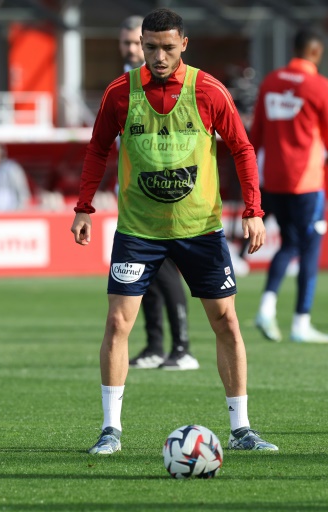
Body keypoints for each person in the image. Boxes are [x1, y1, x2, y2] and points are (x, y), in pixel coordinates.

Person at [71, 7, 278, 455]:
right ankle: (111, 430)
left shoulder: (207, 90)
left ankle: (241, 429)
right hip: (139, 229)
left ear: (184, 44)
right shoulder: (119, 93)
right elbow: (97, 149)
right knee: (117, 322)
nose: (158, 57)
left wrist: (253, 209)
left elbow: (242, 148)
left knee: (226, 321)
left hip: (200, 228)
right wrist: (84, 207)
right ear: (140, 45)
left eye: (167, 47)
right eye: (150, 48)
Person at [250, 29, 328, 343]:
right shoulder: (321, 86)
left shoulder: (270, 81)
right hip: (306, 181)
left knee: (288, 244)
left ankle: (267, 307)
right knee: (309, 248)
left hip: (273, 178)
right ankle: (301, 321)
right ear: (316, 52)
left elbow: (255, 135)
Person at [117, 15, 198, 371]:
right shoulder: (122, 86)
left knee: (165, 272)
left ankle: (182, 346)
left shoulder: (179, 84)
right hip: (137, 196)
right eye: (131, 45)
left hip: (172, 196)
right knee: (140, 279)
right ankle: (153, 344)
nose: (136, 51)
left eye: (139, 46)